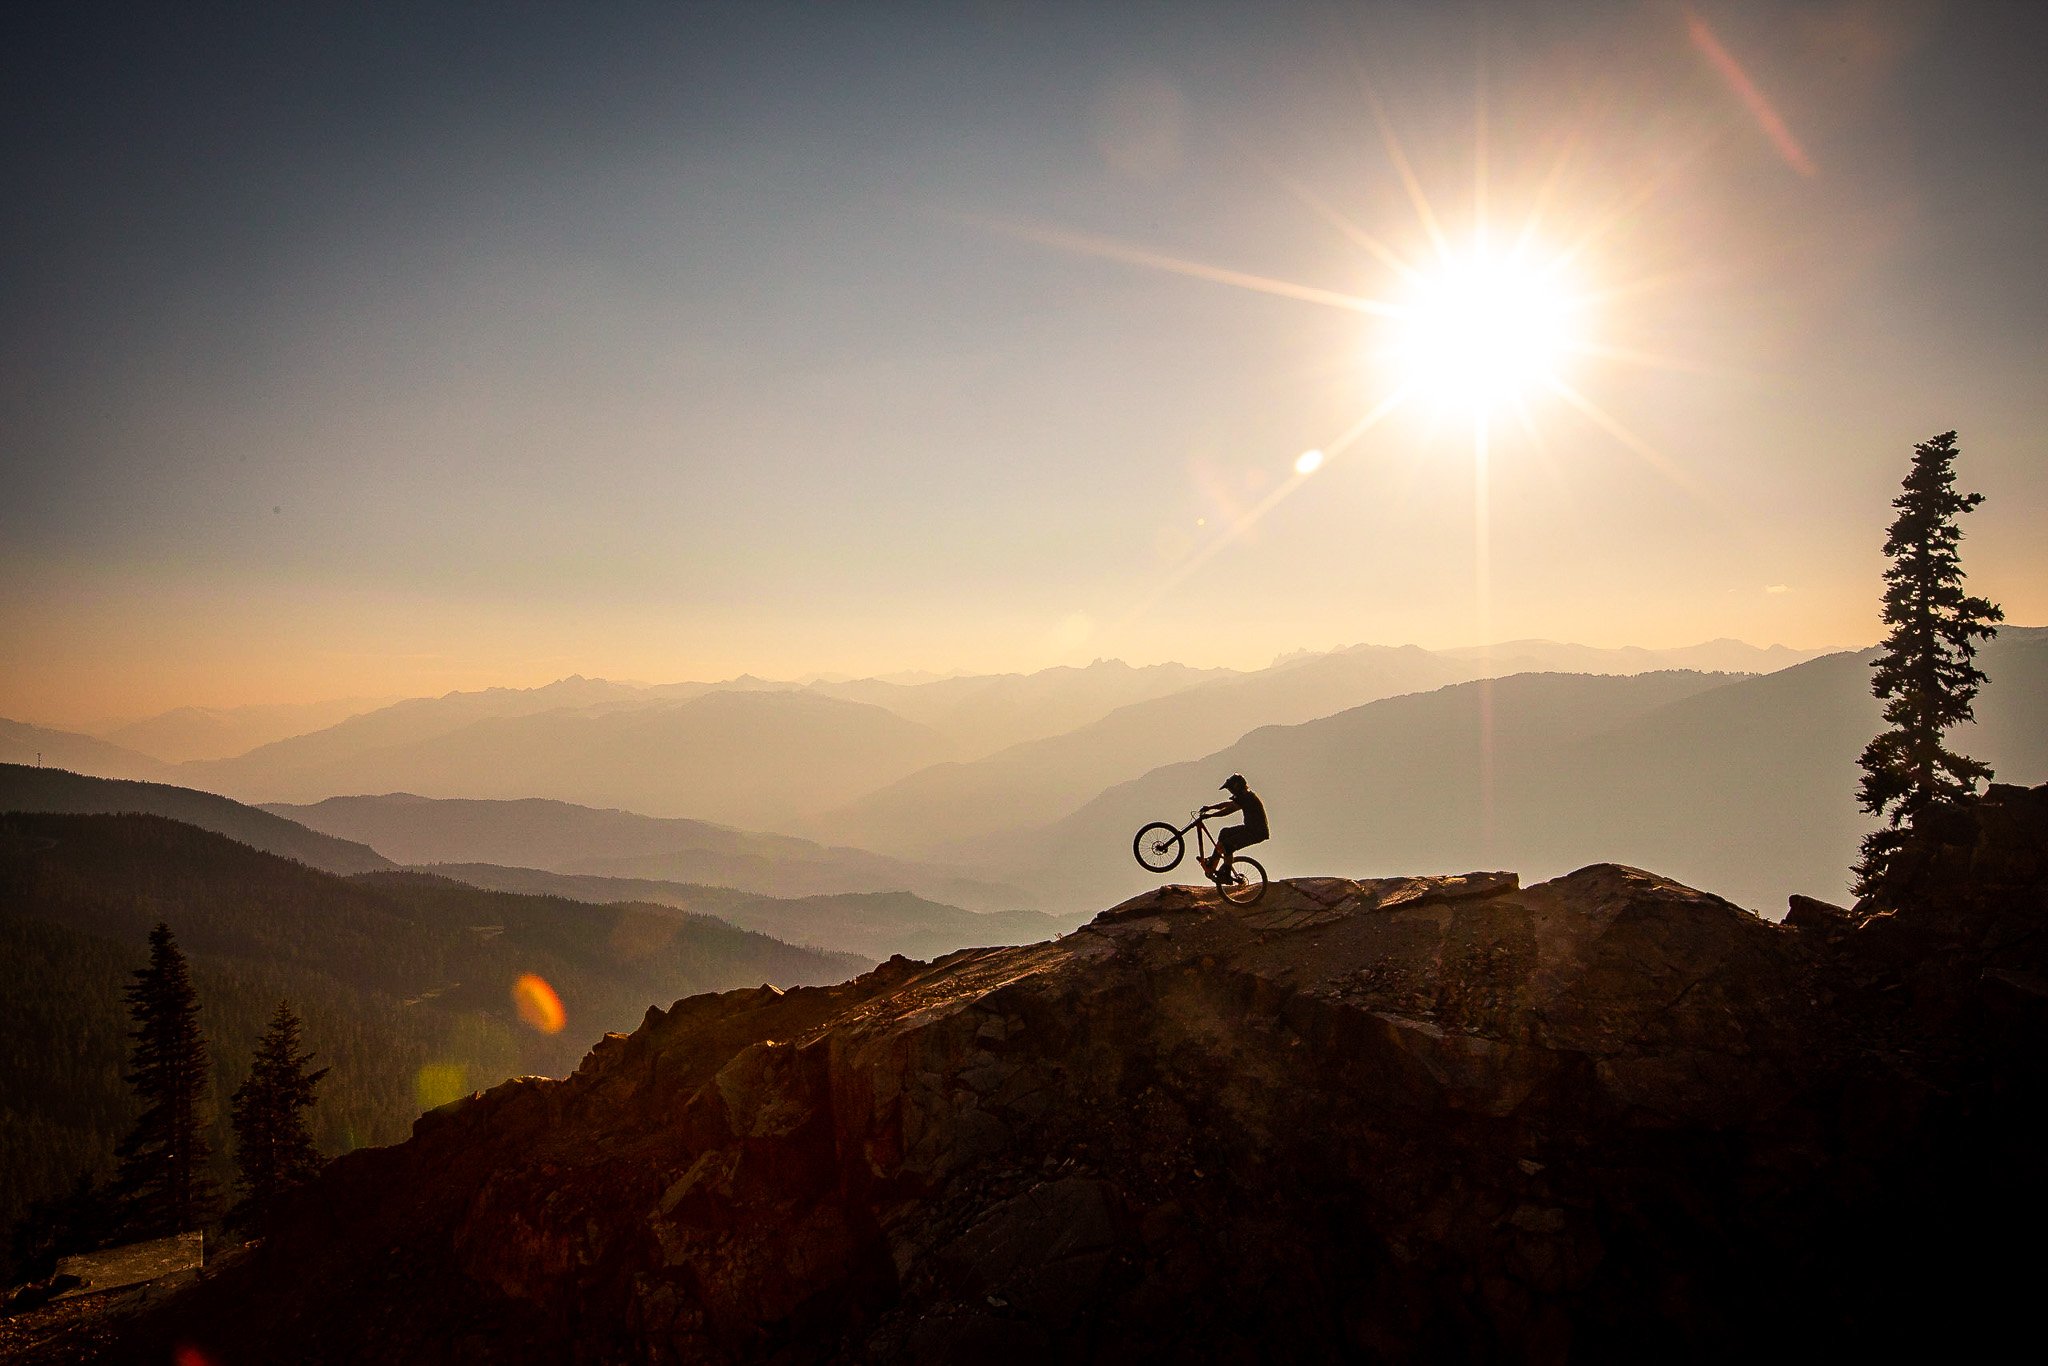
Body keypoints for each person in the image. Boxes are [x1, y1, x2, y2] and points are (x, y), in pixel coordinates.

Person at [1200, 774, 1268, 880]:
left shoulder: (1248, 797)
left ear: (1236, 787)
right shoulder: (1244, 796)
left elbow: (1229, 810)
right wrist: (1210, 807)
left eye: (1230, 789)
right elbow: (1228, 804)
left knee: (1227, 845)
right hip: (1249, 828)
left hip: (1256, 833)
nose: (1230, 792)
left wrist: (1211, 815)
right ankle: (1213, 861)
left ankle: (1226, 875)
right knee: (1224, 833)